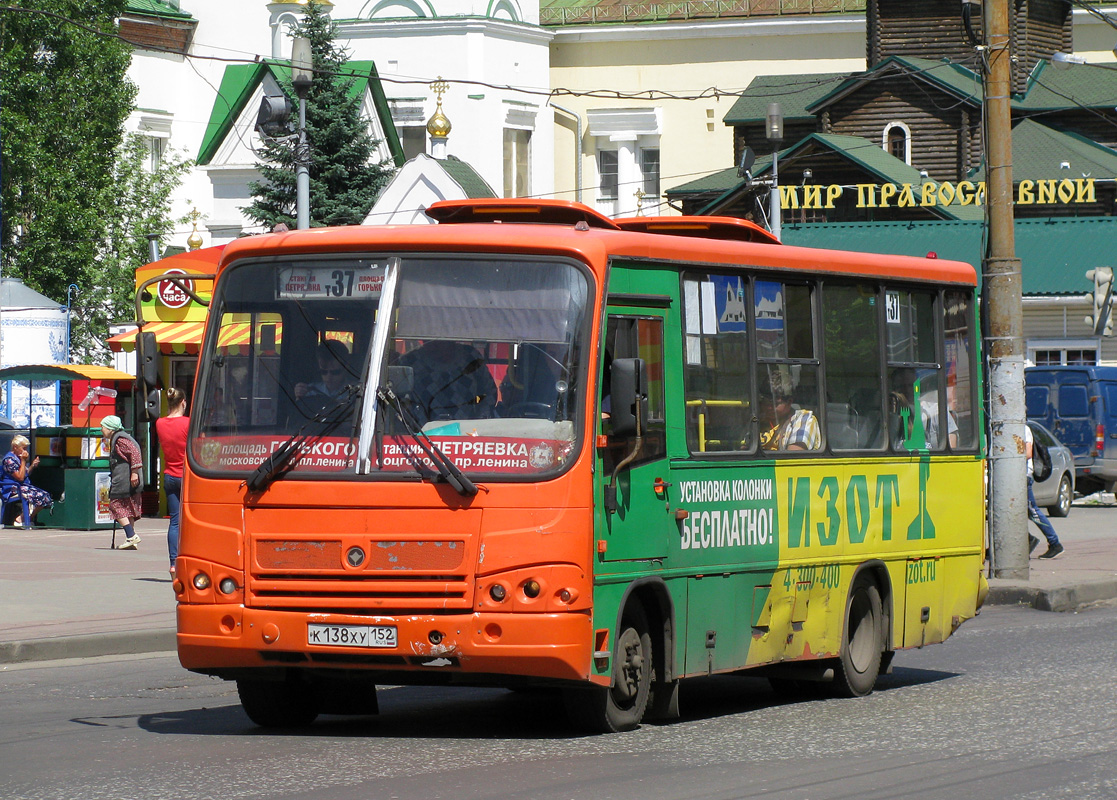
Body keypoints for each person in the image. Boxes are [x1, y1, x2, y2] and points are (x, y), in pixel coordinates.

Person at [398, 340, 497, 425]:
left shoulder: (470, 356)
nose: (436, 345)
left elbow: (490, 392)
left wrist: (478, 422)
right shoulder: (409, 361)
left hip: (466, 435)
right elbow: (398, 401)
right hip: (419, 437)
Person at [155, 388, 189, 576]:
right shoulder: (188, 423)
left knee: (174, 522)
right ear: (183, 402)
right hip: (187, 476)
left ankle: (173, 563)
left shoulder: (160, 423)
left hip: (169, 476)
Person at [102, 416, 145, 551]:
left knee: (115, 505)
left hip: (124, 480)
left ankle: (131, 535)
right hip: (125, 479)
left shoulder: (120, 439)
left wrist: (134, 472)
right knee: (128, 508)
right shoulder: (120, 438)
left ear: (110, 428)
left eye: (103, 427)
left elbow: (135, 453)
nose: (101, 429)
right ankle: (130, 540)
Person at [1026, 423, 1064, 559]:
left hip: (1023, 477)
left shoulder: (1022, 429)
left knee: (1033, 511)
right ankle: (1026, 540)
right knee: (1011, 511)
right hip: (1016, 477)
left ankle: (1055, 543)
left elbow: (1028, 452)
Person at [757, 369, 820, 452]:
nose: (769, 407)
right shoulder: (759, 420)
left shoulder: (803, 420)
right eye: (765, 402)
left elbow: (792, 457)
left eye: (775, 404)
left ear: (789, 401)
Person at [1, 435, 54, 527]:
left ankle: (25, 518)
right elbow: (20, 478)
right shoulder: (9, 460)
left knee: (46, 496)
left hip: (22, 486)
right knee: (39, 496)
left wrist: (32, 465)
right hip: (12, 488)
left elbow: (25, 474)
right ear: (15, 447)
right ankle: (23, 519)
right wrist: (23, 461)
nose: (25, 451)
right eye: (23, 448)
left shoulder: (18, 458)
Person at [294, 341, 356, 414]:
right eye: (323, 372)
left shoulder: (355, 393)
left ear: (346, 368)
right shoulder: (310, 391)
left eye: (335, 372)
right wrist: (298, 398)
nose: (328, 377)